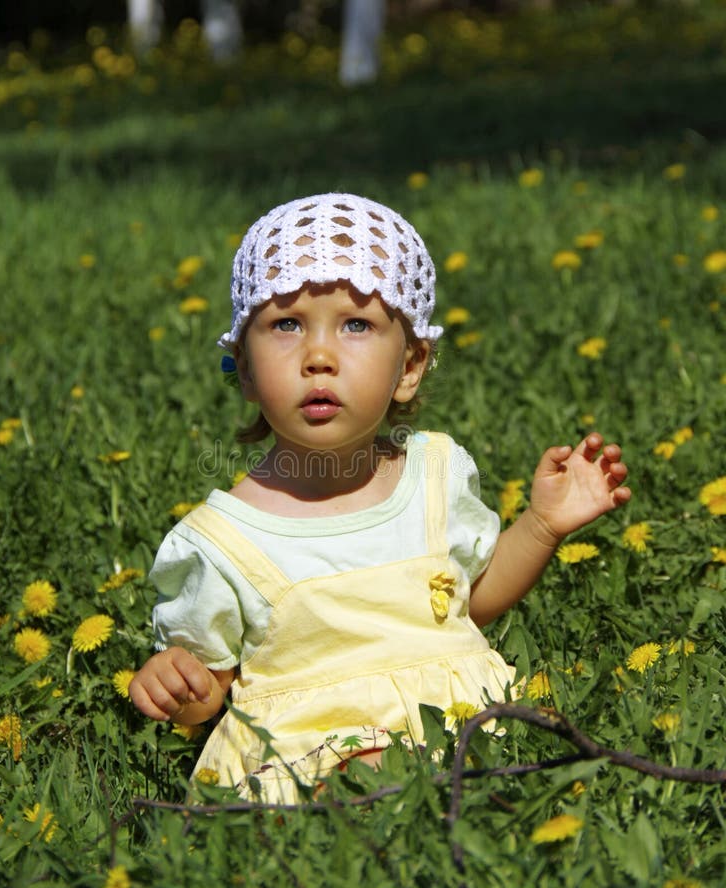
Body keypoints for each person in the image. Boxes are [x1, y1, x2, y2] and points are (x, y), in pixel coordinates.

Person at [129, 192, 631, 803]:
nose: (318, 356)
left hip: (463, 734)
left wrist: (544, 525)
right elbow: (211, 690)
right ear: (247, 367)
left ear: (410, 366)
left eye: (357, 325)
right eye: (285, 324)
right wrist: (179, 688)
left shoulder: (434, 477)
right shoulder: (223, 540)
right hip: (312, 762)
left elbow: (468, 603)